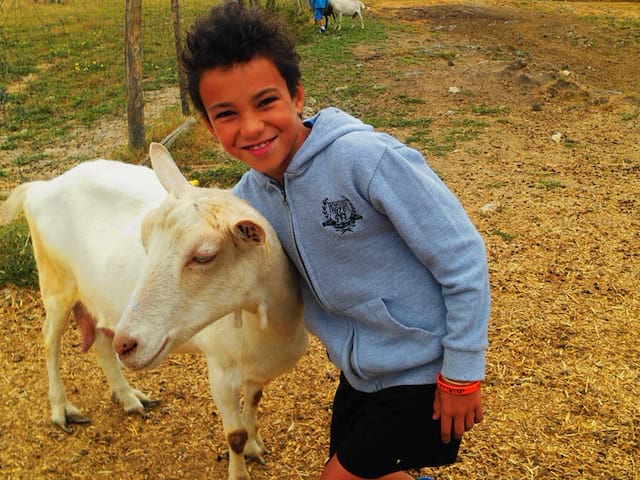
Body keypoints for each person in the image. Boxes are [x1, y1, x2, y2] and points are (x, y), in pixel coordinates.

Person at [181, 4, 490, 479]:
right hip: (359, 374)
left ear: (297, 96)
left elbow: (463, 258)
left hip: (424, 367)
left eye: (266, 102)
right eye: (226, 114)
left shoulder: (367, 161)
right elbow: (192, 236)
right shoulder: (247, 202)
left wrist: (463, 374)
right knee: (375, 471)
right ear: (208, 126)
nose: (251, 127)